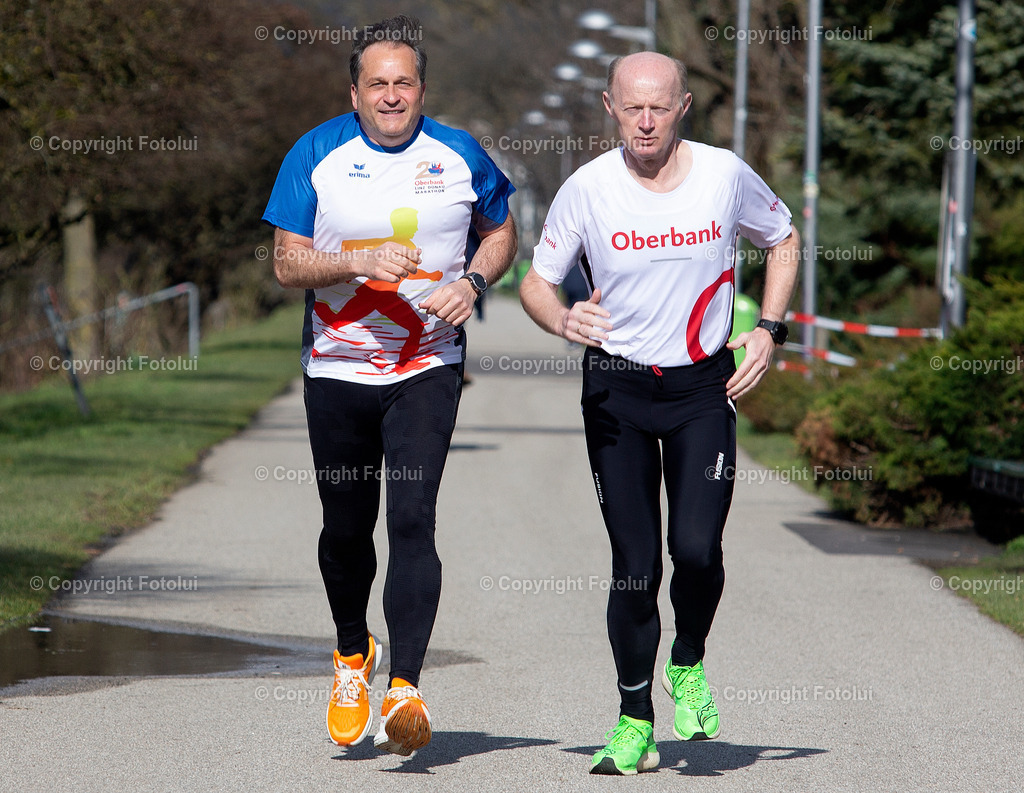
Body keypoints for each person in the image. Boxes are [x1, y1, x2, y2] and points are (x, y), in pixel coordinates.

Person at [520, 51, 799, 776]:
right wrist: (561, 321)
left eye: (660, 107)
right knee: (635, 567)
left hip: (703, 388)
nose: (645, 121)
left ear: (683, 108)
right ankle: (634, 717)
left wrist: (769, 329)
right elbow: (536, 282)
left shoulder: (723, 175)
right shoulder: (586, 189)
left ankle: (689, 658)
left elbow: (784, 238)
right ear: (609, 107)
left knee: (699, 551)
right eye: (631, 107)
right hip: (617, 390)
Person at [262, 15, 516, 756]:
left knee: (412, 517)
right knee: (346, 529)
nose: (392, 94)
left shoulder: (460, 153)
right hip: (337, 366)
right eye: (378, 82)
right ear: (355, 90)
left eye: (404, 82)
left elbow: (501, 232)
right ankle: (351, 654)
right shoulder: (316, 154)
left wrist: (472, 280)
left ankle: (405, 685)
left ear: (422, 89)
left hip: (428, 366)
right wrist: (361, 259)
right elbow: (286, 263)